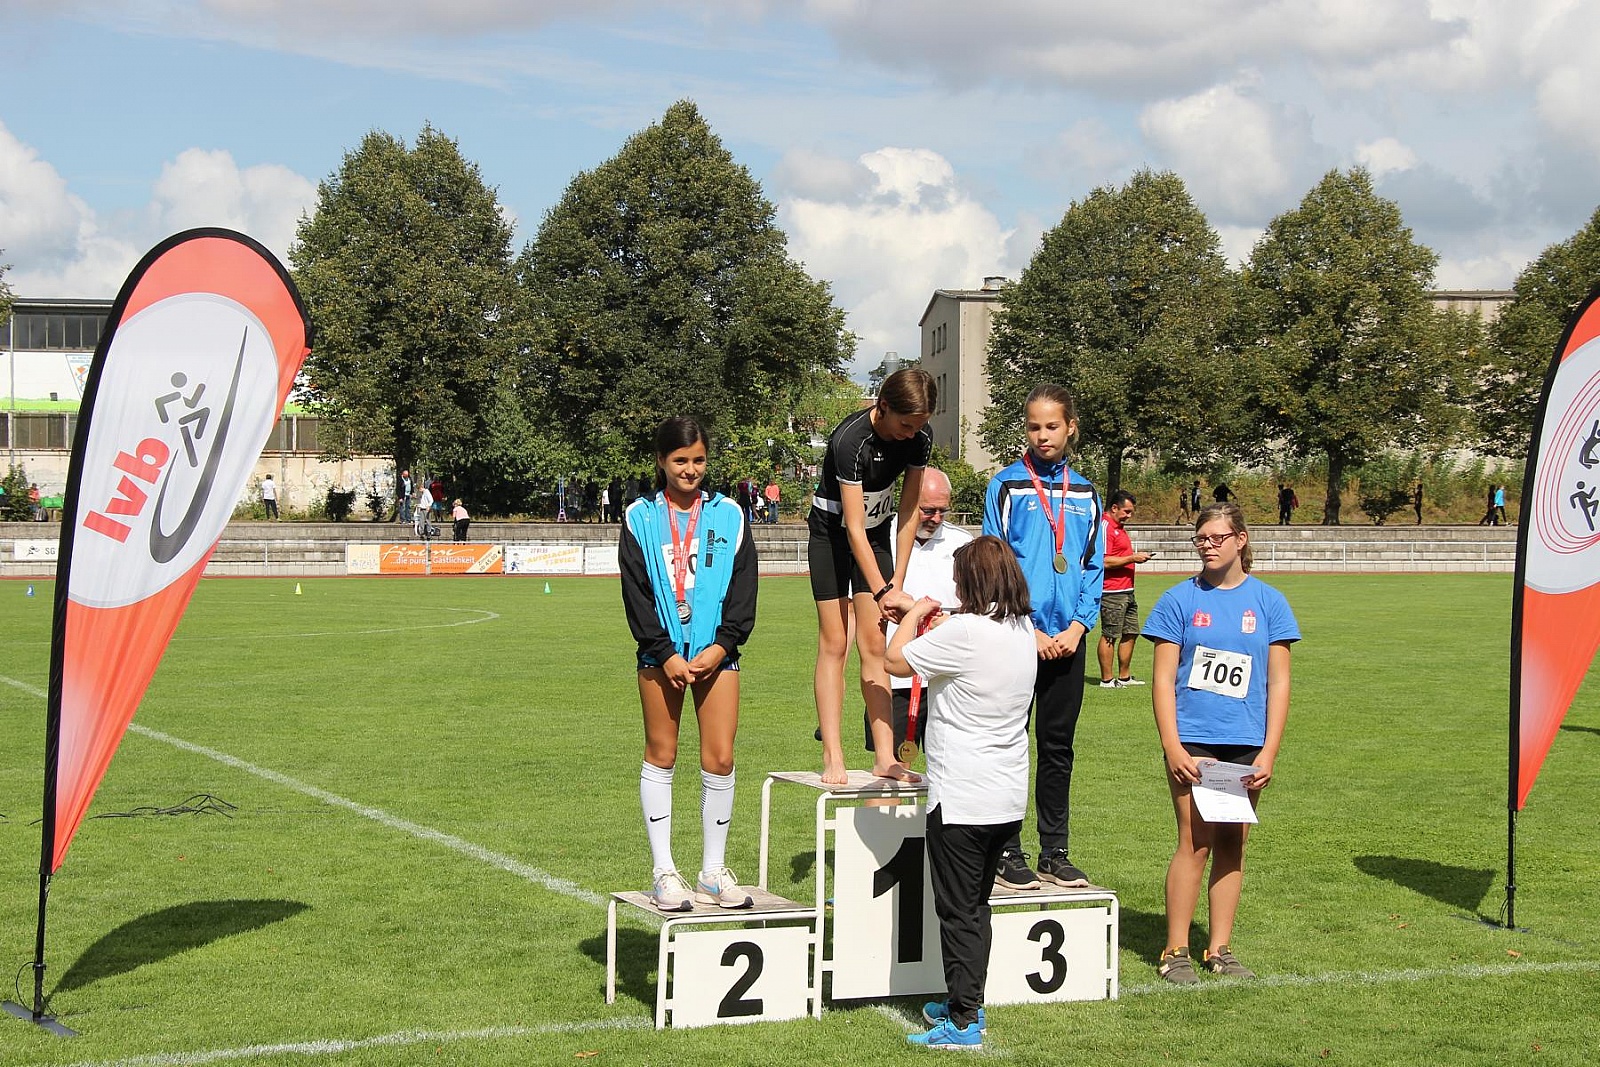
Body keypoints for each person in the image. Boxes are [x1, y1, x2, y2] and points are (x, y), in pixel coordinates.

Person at [886, 536, 1036, 1051]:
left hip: (962, 795)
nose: (951, 587)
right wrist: (929, 610)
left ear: (972, 583)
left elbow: (894, 661)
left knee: (958, 912)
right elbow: (957, 626)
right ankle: (964, 1000)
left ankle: (965, 1018)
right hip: (1005, 792)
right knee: (978, 906)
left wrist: (912, 614)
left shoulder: (967, 633)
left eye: (957, 579)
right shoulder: (1021, 629)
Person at [1142, 502, 1300, 984]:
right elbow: (1163, 680)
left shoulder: (1269, 603)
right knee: (1195, 842)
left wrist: (1269, 751)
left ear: (1240, 540)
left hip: (1247, 744)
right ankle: (1175, 951)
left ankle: (1220, 949)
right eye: (1201, 539)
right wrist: (1173, 746)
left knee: (1232, 843)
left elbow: (1279, 682)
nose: (1208, 546)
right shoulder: (1178, 601)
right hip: (1194, 742)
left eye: (1216, 538)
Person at [620, 417, 759, 912]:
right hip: (662, 655)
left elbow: (744, 590)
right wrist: (665, 653)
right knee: (662, 752)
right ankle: (663, 872)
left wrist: (722, 646)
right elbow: (635, 594)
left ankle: (712, 873)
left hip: (717, 655)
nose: (691, 470)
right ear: (661, 461)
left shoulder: (730, 516)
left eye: (698, 460)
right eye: (680, 461)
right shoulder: (639, 517)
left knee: (720, 757)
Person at [982, 382, 1103, 890]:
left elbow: (1093, 567)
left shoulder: (1087, 493)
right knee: (1010, 744)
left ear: (1070, 427)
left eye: (1052, 426)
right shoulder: (1006, 486)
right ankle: (1008, 850)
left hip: (1069, 642)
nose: (1043, 434)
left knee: (1058, 747)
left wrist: (1078, 626)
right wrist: (1025, 628)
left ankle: (1055, 849)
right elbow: (994, 562)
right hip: (1017, 637)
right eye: (1034, 426)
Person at [810, 366, 936, 785]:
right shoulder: (850, 441)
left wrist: (895, 583)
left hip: (877, 534)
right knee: (835, 641)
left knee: (874, 643)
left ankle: (886, 757)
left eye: (918, 427)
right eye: (905, 425)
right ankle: (833, 755)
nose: (910, 434)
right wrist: (881, 588)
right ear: (883, 406)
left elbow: (907, 511)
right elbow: (853, 525)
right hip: (833, 535)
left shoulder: (920, 438)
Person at [870, 467, 972, 753]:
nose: (936, 519)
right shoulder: (881, 540)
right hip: (895, 677)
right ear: (909, 502)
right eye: (928, 510)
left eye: (943, 510)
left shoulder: (963, 543)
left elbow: (975, 613)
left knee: (950, 767)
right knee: (892, 769)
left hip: (949, 678)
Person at [1097, 489, 1152, 689]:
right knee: (1110, 634)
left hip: (1127, 589)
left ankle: (1124, 677)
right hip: (1111, 591)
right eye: (1126, 511)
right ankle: (1107, 679)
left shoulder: (1119, 527)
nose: (1129, 516)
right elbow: (1102, 561)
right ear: (1114, 508)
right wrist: (1132, 558)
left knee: (1131, 632)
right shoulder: (1105, 526)